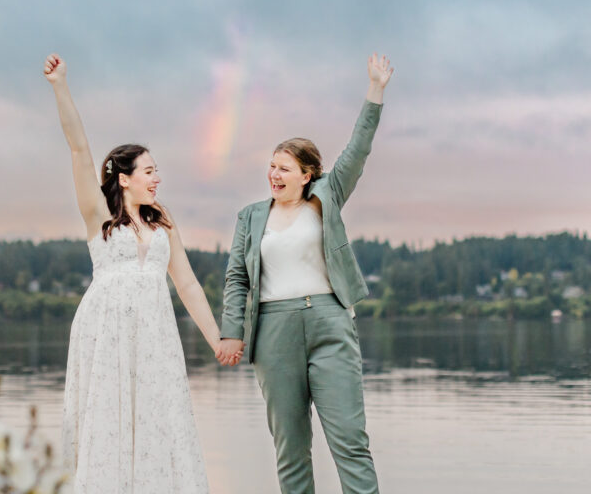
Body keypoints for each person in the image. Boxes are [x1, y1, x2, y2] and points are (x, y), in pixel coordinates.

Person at [44, 53, 243, 493]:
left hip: (154, 336)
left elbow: (187, 282)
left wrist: (218, 340)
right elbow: (79, 148)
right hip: (105, 333)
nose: (157, 179)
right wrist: (60, 85)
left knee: (158, 420)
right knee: (107, 422)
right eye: (150, 171)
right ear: (125, 178)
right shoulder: (98, 214)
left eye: (157, 171)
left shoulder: (163, 222)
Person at [217, 53, 393, 494]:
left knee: (350, 441)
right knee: (290, 449)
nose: (273, 174)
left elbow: (358, 150)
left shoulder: (327, 197)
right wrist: (231, 331)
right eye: (272, 165)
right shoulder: (250, 216)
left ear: (307, 174)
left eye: (284, 167)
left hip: (330, 323)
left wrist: (375, 90)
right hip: (273, 331)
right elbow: (237, 277)